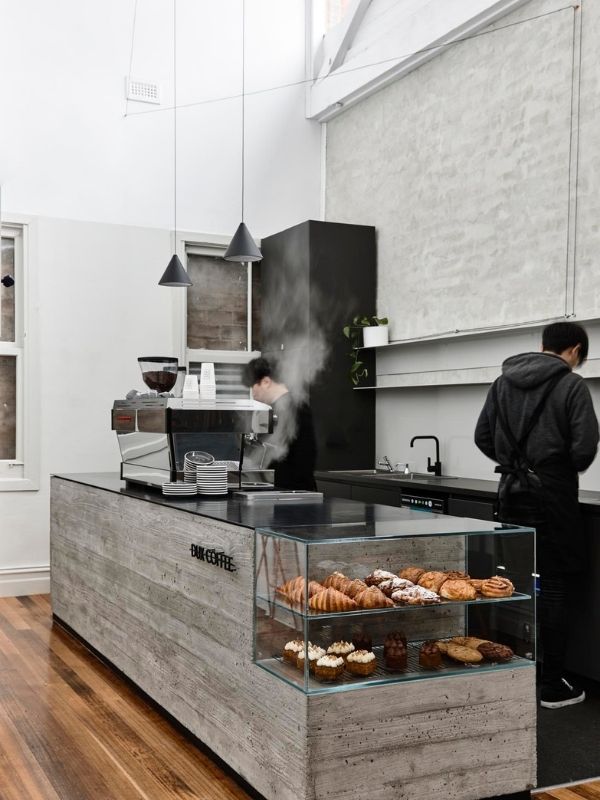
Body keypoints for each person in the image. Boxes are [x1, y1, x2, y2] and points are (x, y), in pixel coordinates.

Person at [474, 321, 599, 709]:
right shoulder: (572, 386)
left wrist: (515, 464)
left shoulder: (502, 383)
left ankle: (510, 668)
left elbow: (482, 436)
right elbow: (583, 451)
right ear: (575, 350)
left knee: (514, 581)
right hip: (553, 499)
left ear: (544, 344)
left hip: (510, 496)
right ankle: (553, 683)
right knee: (555, 585)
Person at [243, 357, 317, 491]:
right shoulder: (276, 408)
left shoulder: (294, 408)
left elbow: (301, 459)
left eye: (253, 387)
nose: (253, 393)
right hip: (283, 491)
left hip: (295, 494)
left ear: (265, 382)